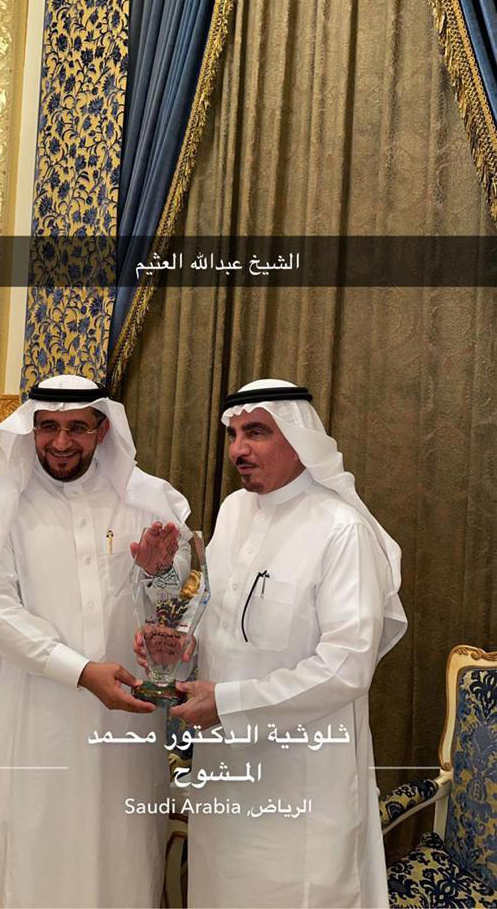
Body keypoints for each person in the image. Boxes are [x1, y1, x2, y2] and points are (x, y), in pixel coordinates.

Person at [0, 374, 190, 909]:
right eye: (47, 426)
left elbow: (172, 598)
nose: (60, 441)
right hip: (34, 723)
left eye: (77, 427)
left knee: (120, 858)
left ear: (103, 430)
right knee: (34, 856)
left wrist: (158, 571)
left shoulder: (147, 500)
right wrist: (79, 671)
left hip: (124, 727)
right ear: (29, 429)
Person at [169, 378, 407, 909]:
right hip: (224, 769)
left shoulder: (342, 530)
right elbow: (219, 620)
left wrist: (229, 703)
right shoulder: (233, 511)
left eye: (256, 432)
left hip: (302, 781)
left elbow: (346, 666)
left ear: (300, 439)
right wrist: (180, 648)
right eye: (233, 434)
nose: (238, 449)